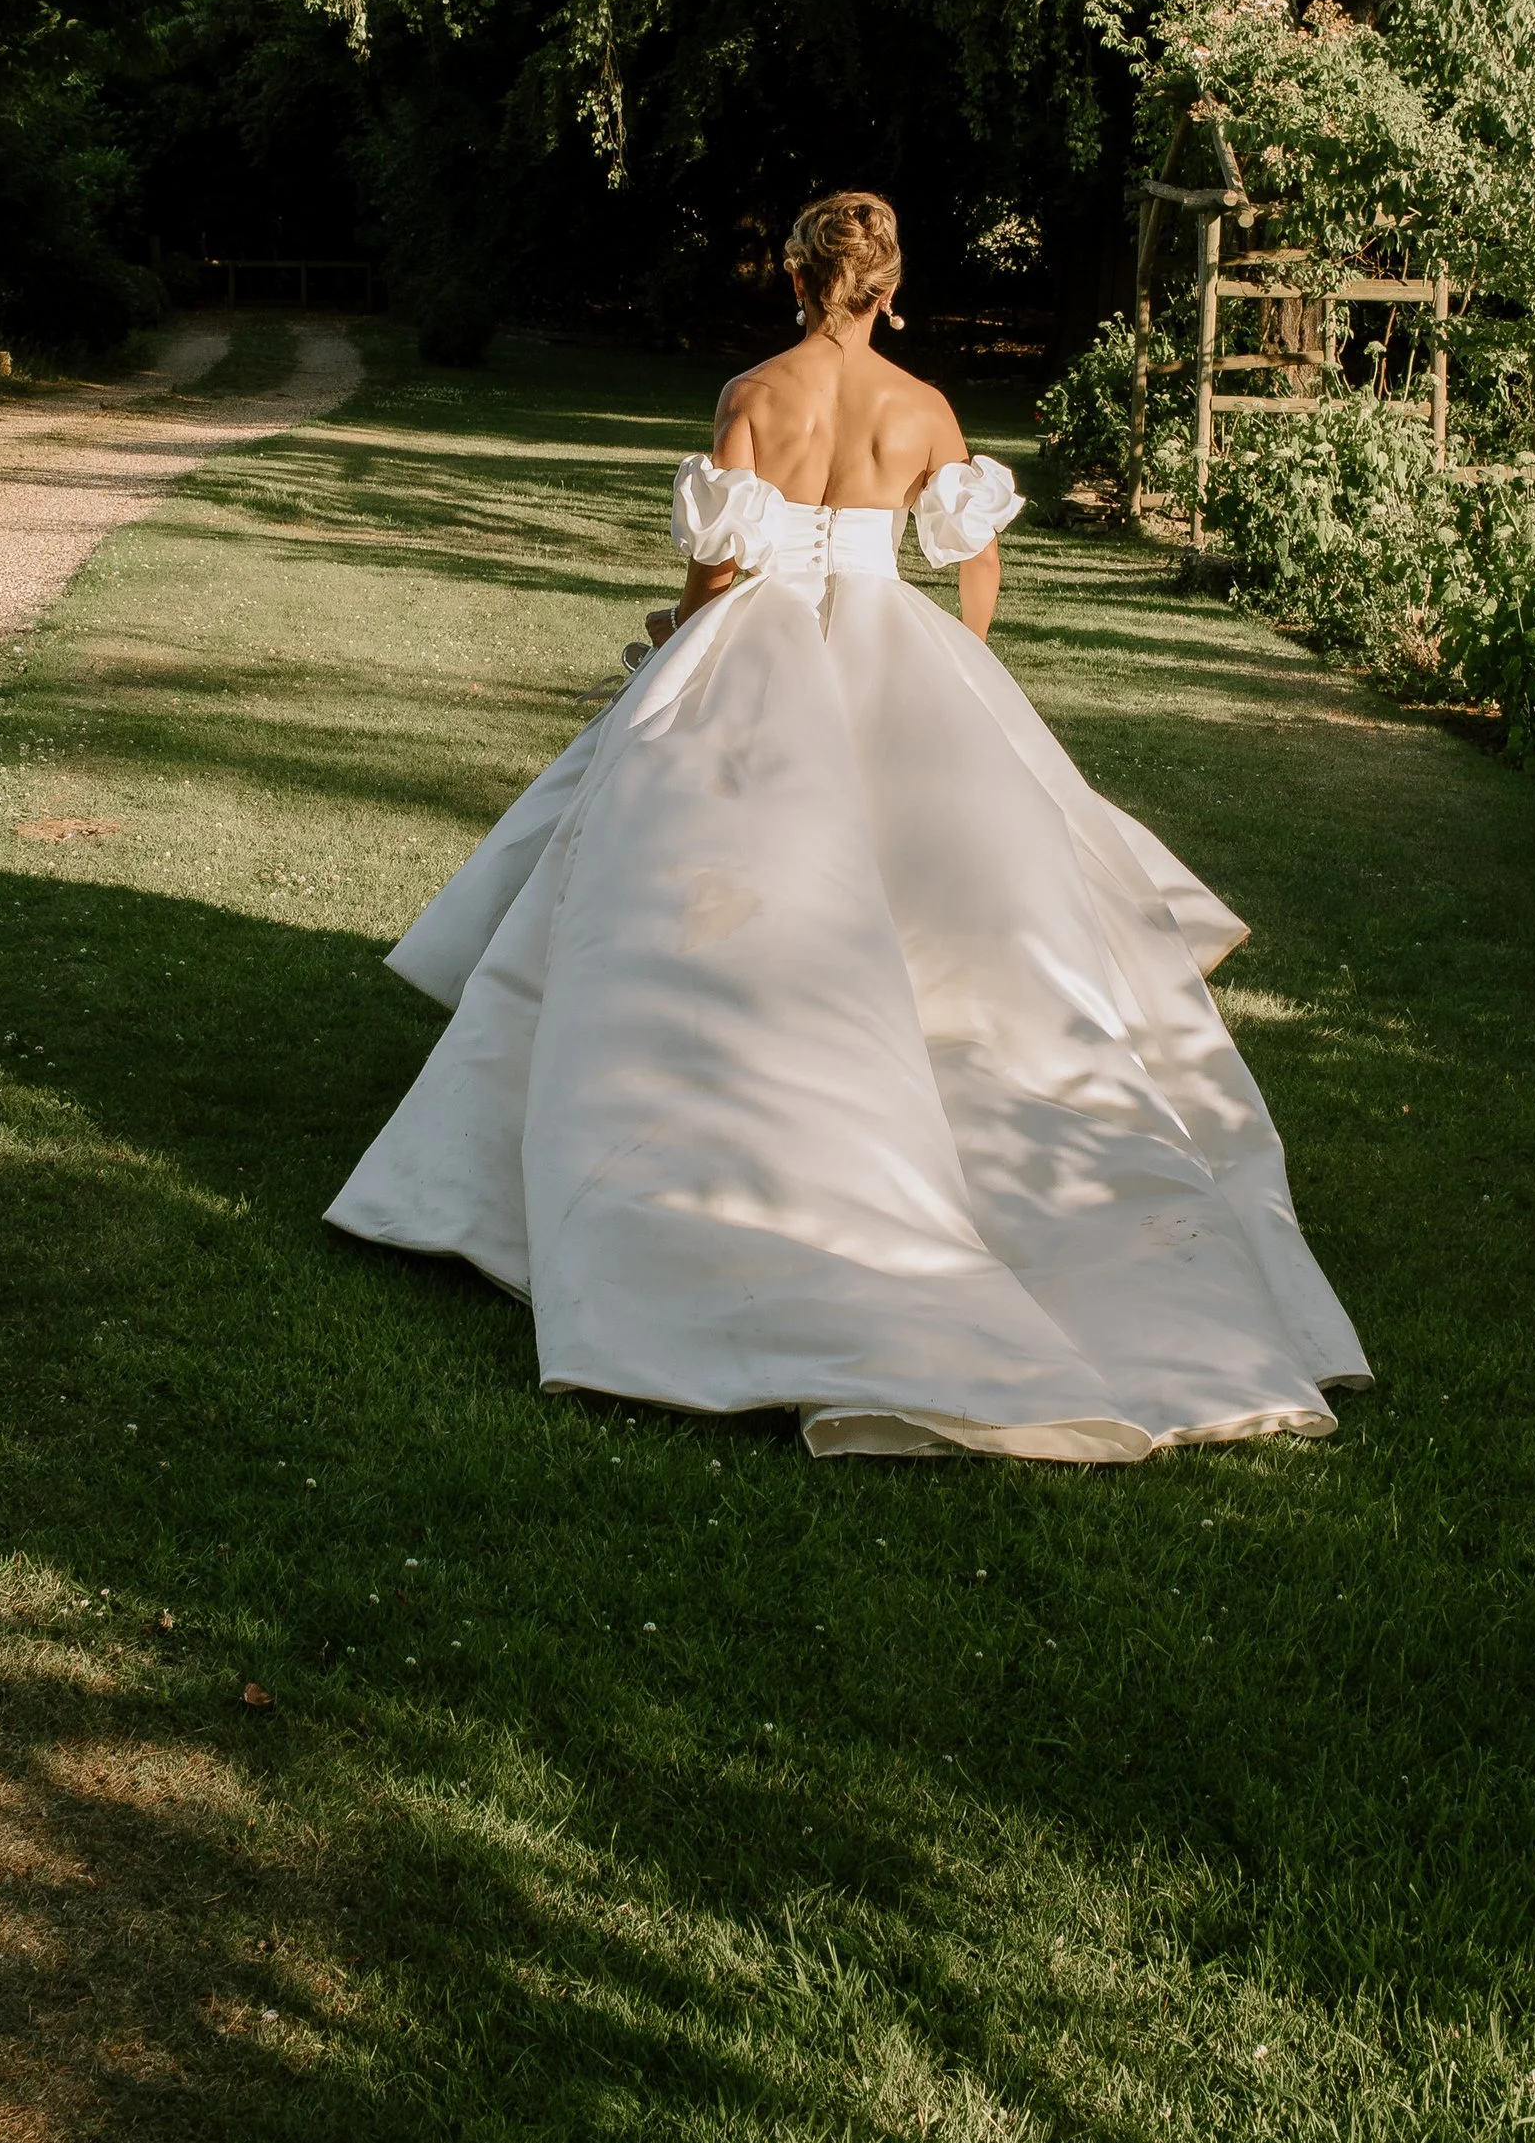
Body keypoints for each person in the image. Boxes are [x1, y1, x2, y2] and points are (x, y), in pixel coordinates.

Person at [327, 189, 1369, 1459]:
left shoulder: (754, 392)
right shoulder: (922, 407)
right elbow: (972, 551)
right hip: (892, 644)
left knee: (699, 889)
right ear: (887, 287)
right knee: (945, 912)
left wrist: (684, 629)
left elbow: (718, 564)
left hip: (762, 647)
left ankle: (675, 1137)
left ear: (798, 281)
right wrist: (965, 666)